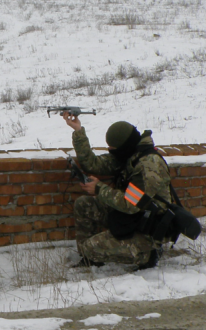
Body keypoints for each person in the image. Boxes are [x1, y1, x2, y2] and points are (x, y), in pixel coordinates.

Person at [61, 111, 172, 269]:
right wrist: (78, 131)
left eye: (113, 149)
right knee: (83, 204)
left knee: (90, 248)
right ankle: (90, 259)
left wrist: (99, 188)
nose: (111, 152)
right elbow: (92, 164)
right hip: (131, 217)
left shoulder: (149, 165)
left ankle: (148, 254)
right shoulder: (128, 155)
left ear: (124, 145)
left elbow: (134, 203)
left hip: (147, 227)